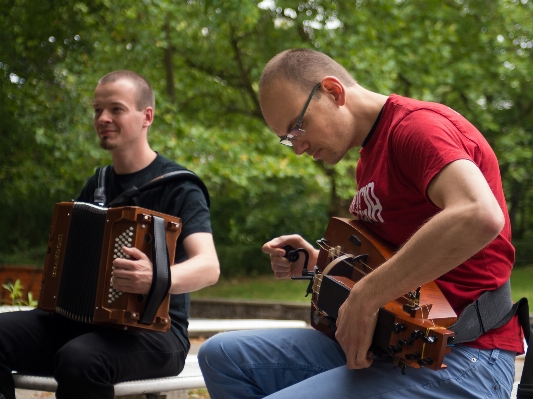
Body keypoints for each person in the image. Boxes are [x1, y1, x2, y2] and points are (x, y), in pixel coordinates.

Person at [197, 49, 524, 398]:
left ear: (333, 92)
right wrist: (321, 265)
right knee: (220, 356)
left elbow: (478, 214)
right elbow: (393, 258)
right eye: (287, 137)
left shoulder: (418, 128)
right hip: (391, 347)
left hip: (466, 355)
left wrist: (367, 296)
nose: (296, 148)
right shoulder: (368, 159)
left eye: (297, 126)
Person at [0, 70, 220, 399]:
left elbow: (209, 267)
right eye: (97, 110)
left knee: (81, 359)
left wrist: (155, 277)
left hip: (156, 334)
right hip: (86, 326)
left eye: (116, 109)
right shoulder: (99, 183)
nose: (103, 118)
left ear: (147, 116)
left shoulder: (179, 186)